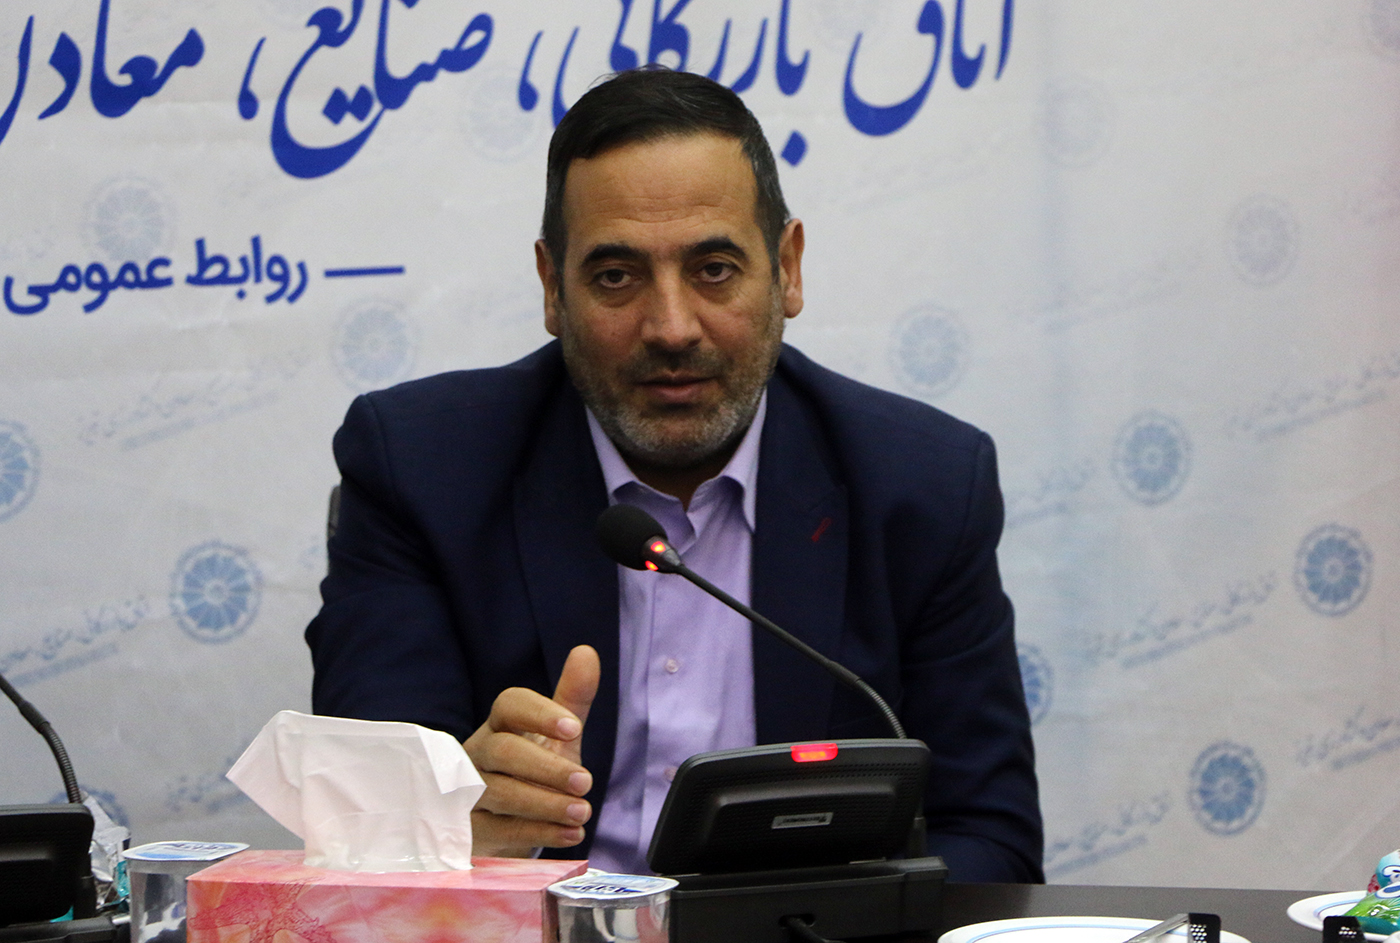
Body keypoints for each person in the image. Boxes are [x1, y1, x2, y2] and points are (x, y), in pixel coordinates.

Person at [306, 67, 1043, 883]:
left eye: (714, 268)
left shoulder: (924, 485)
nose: (670, 326)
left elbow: (990, 840)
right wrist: (449, 827)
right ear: (552, 288)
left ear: (788, 268)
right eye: (616, 277)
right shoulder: (421, 468)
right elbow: (361, 830)